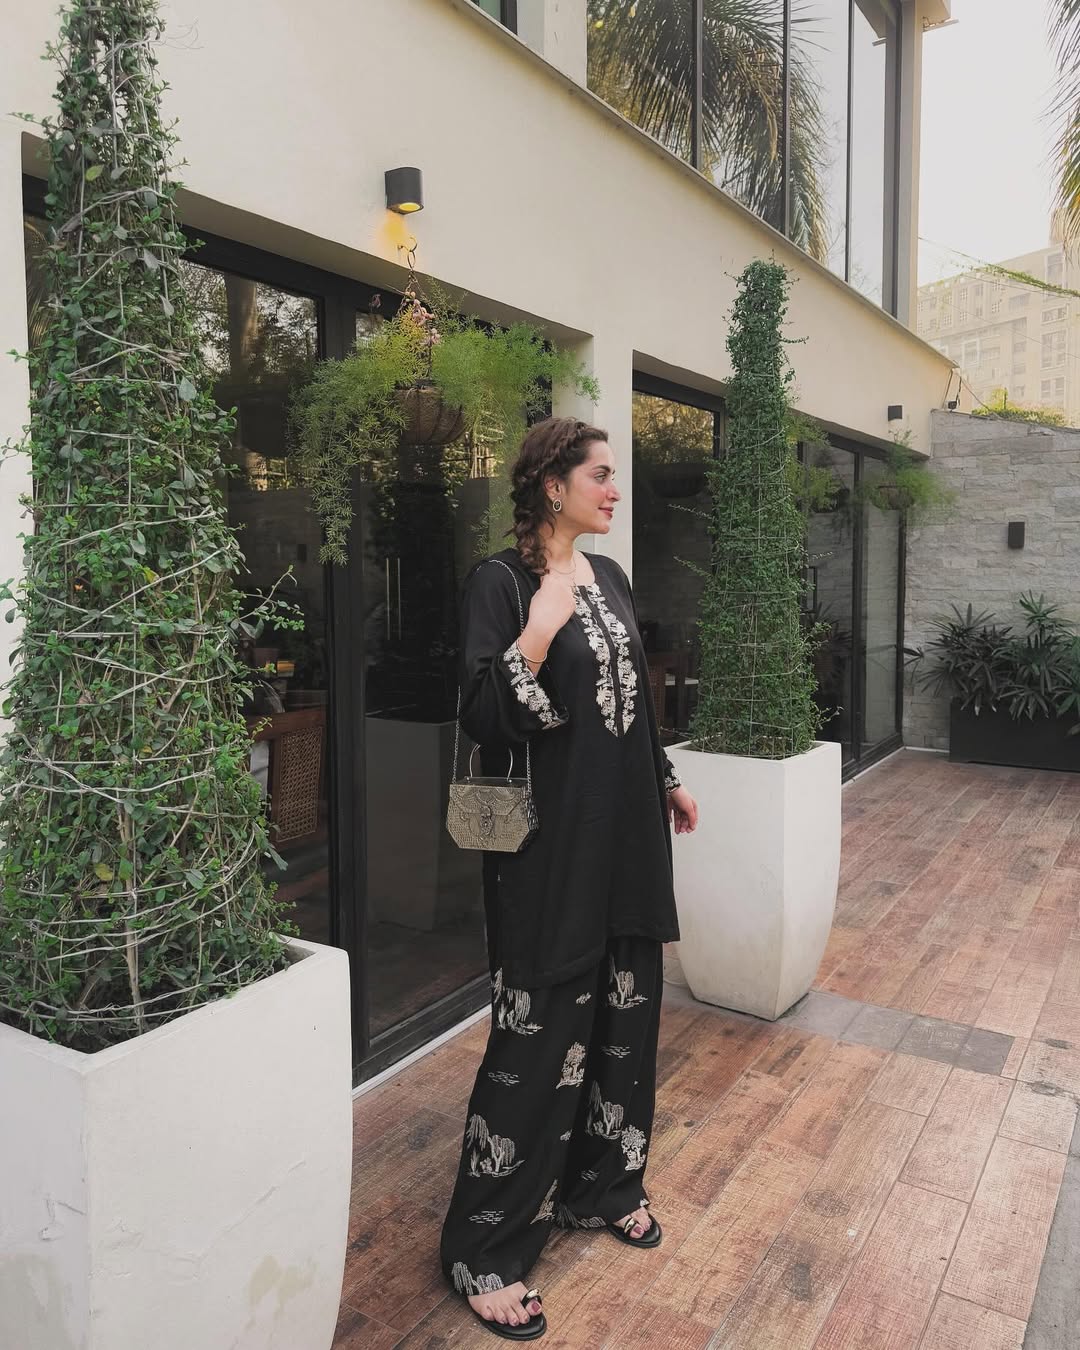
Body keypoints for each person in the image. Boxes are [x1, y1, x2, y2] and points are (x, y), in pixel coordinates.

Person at [440, 416, 699, 1340]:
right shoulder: (501, 584)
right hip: (550, 851)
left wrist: (664, 778)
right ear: (553, 486)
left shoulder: (612, 577)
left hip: (626, 836)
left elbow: (632, 708)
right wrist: (538, 636)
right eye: (600, 475)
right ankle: (485, 1247)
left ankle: (602, 1186)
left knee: (626, 1016)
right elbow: (481, 715)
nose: (614, 490)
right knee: (538, 1034)